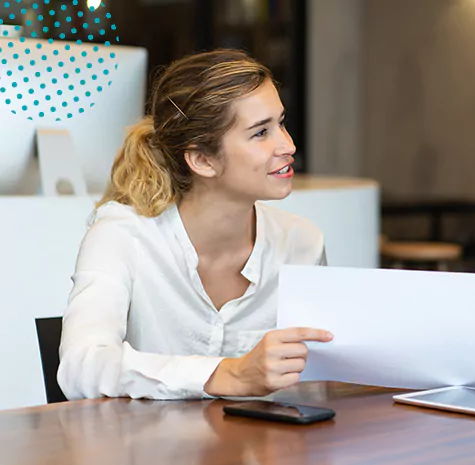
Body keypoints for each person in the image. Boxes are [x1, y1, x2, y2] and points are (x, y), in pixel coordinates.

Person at [58, 49, 332, 400]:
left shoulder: (303, 243)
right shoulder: (122, 236)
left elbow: (318, 385)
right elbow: (82, 366)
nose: (288, 145)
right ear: (202, 159)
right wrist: (222, 374)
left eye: (281, 123)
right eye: (261, 133)